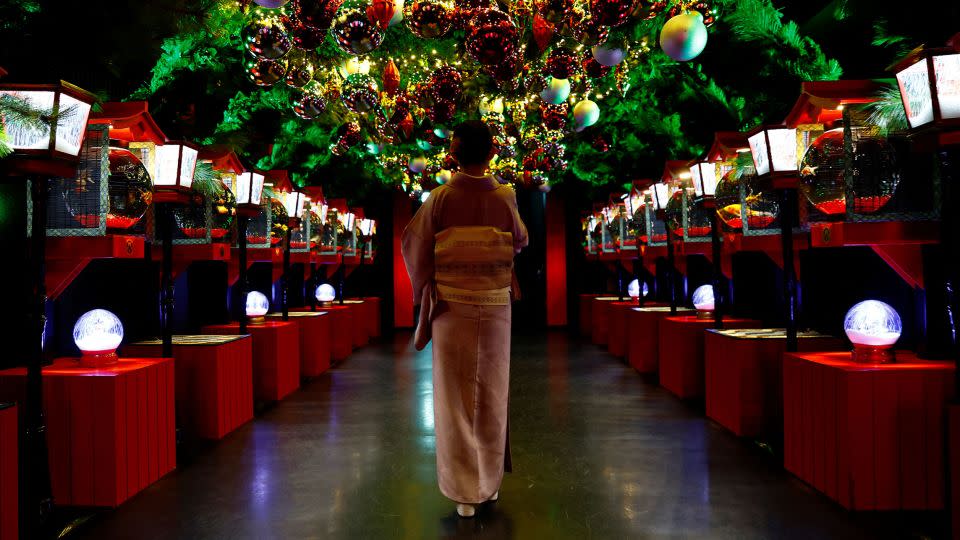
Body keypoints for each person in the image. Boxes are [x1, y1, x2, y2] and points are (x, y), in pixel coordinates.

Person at [401, 120, 529, 518]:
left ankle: (463, 494)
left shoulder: (439, 197)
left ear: (454, 152)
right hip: (494, 306)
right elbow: (520, 239)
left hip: (452, 308)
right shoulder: (505, 195)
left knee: (453, 397)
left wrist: (424, 288)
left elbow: (415, 245)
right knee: (492, 392)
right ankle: (488, 485)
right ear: (492, 152)